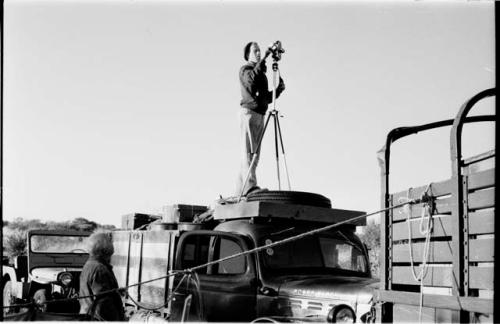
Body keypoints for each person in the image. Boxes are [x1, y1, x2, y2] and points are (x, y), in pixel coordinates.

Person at [236, 41, 285, 196]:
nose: (258, 53)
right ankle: (250, 188)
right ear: (248, 55)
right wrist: (265, 56)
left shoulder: (261, 74)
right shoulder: (245, 70)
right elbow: (250, 84)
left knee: (254, 155)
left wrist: (277, 91)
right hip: (249, 114)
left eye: (259, 51)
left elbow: (264, 98)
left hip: (259, 114)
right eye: (255, 51)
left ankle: (241, 190)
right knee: (248, 153)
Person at [79, 230, 125, 321]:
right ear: (105, 249)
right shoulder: (100, 269)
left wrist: (115, 291)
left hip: (88, 316)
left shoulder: (89, 264)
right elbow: (103, 304)